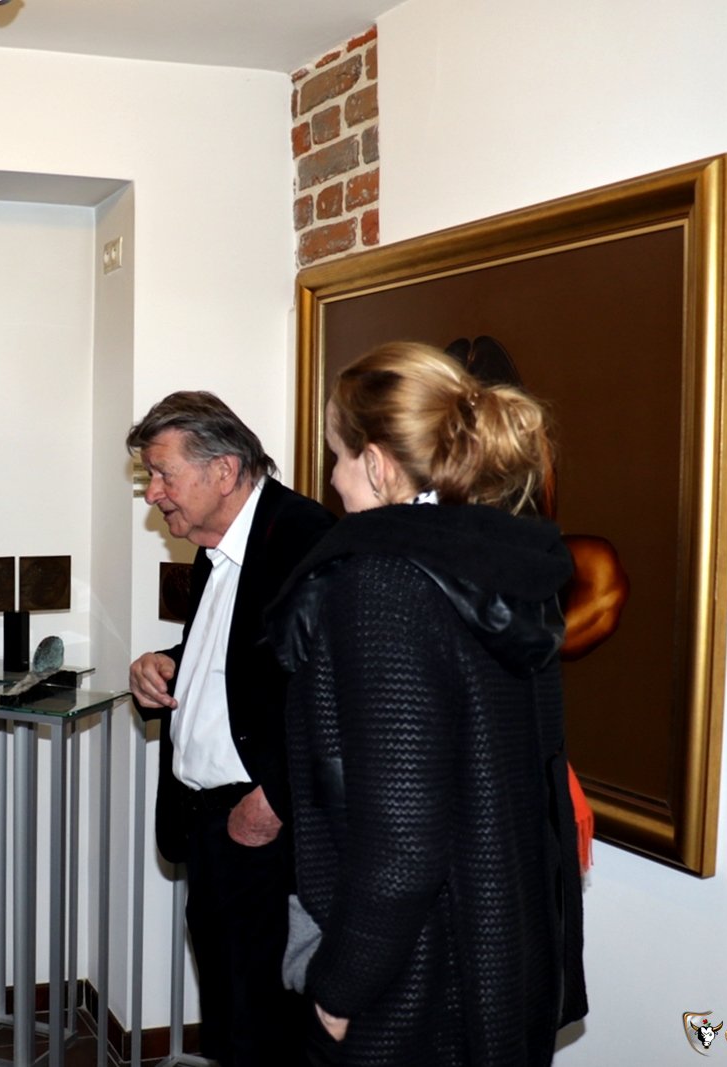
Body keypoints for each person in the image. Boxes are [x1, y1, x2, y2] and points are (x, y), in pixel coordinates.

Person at [266, 342, 588, 1065]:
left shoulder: (382, 585)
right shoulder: (507, 564)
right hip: (500, 958)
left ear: (379, 464)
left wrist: (337, 990)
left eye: (338, 457)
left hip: (410, 986)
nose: (333, 479)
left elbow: (403, 844)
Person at [126, 391, 335, 1066]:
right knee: (228, 1020)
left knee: (269, 1033)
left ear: (223, 470)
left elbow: (335, 695)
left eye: (163, 474)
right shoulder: (216, 547)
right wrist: (166, 665)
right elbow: (244, 659)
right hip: (210, 827)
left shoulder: (303, 540)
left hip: (267, 835)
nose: (153, 493)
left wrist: (274, 799)